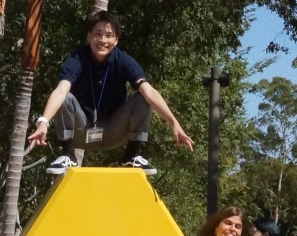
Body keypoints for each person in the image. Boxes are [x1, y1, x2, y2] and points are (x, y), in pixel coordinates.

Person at [26, 10, 195, 176]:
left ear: (116, 40)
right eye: (97, 34)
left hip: (114, 131)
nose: (102, 40)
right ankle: (69, 155)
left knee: (143, 98)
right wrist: (43, 122)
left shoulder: (123, 60)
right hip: (82, 130)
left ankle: (131, 156)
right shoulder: (77, 58)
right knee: (65, 97)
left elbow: (148, 90)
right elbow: (61, 89)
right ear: (89, 36)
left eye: (109, 35)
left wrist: (174, 123)